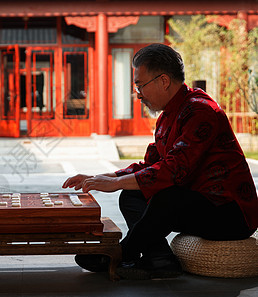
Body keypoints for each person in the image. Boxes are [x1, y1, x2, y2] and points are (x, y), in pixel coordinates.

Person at [62, 43, 258, 280]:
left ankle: (123, 253)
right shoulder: (168, 116)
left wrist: (117, 182)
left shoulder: (201, 111)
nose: (138, 94)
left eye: (140, 85)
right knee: (133, 194)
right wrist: (106, 178)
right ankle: (160, 258)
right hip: (196, 203)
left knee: (167, 196)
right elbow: (150, 165)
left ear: (163, 81)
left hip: (230, 213)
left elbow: (174, 171)